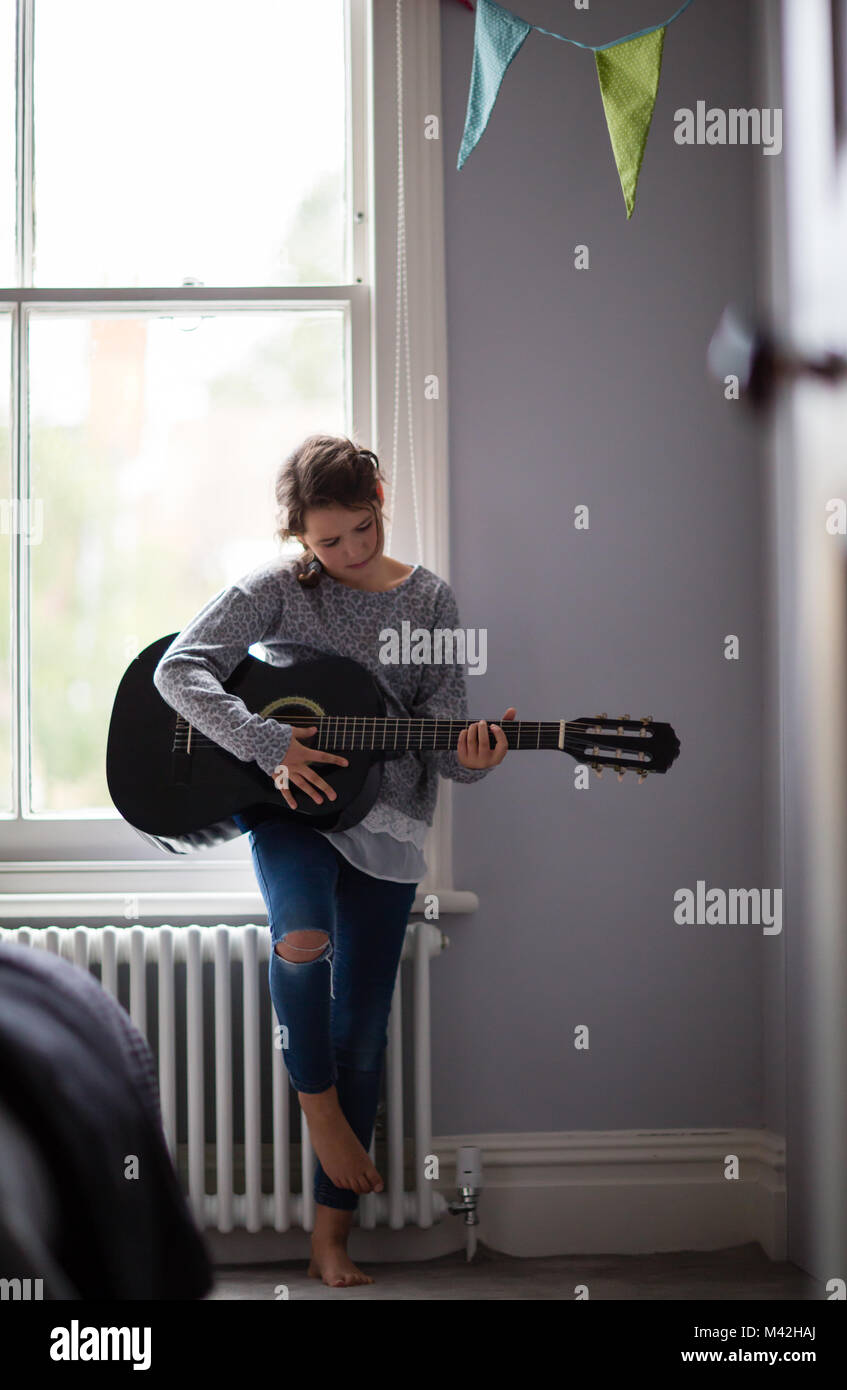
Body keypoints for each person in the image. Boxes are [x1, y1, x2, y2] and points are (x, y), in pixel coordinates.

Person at [153, 433, 514, 1287]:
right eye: (327, 540)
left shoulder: (430, 601)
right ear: (298, 537)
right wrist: (268, 739)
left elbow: (445, 741)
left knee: (362, 1029)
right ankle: (321, 1114)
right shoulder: (276, 589)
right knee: (301, 939)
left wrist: (477, 757)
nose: (349, 551)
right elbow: (178, 670)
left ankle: (329, 1239)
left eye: (362, 529)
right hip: (291, 811)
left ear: (380, 498)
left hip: (388, 822)